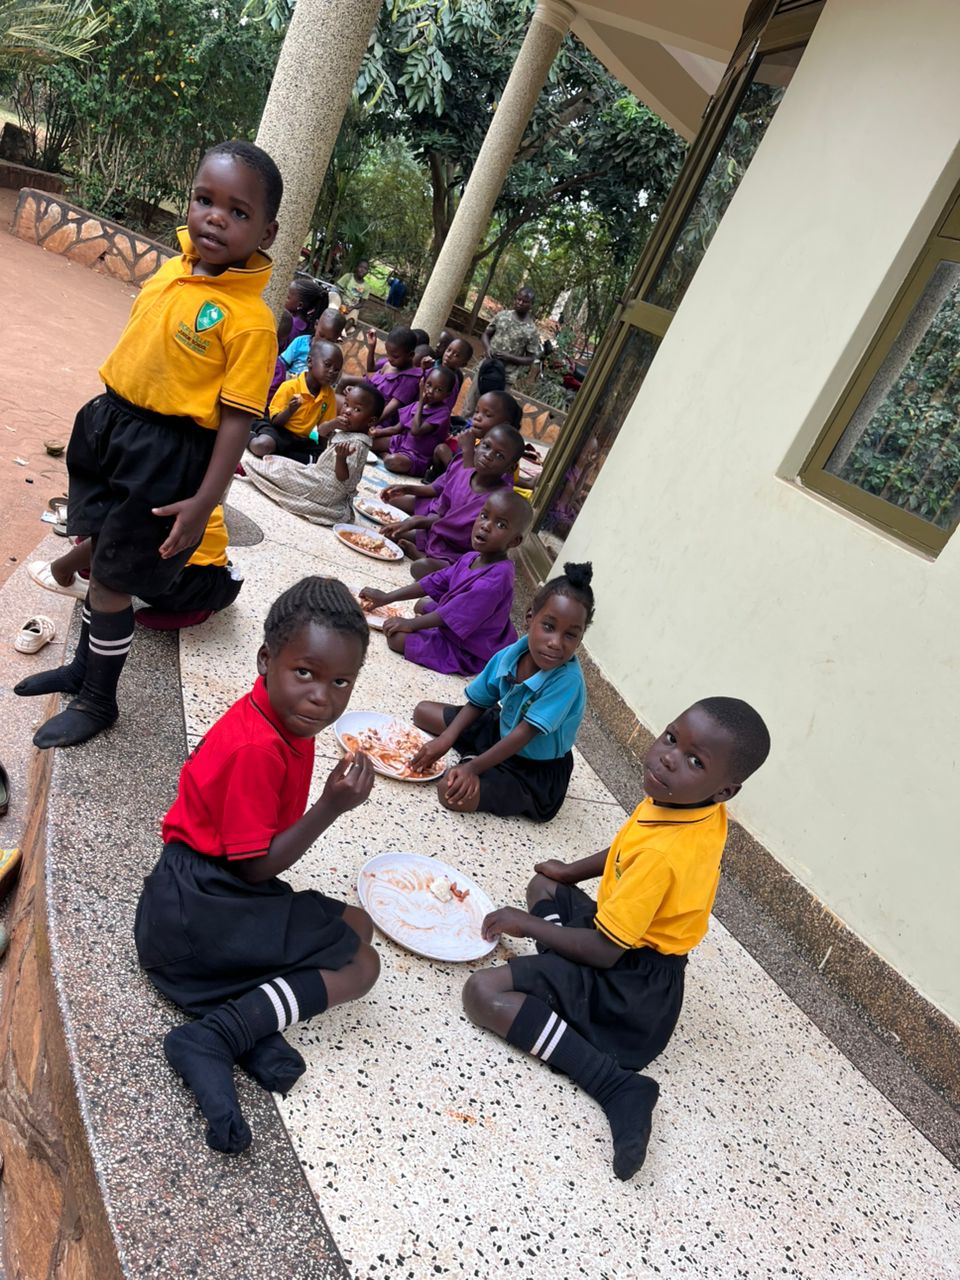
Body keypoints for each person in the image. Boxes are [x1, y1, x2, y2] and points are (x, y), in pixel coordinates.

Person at [15, 139, 282, 748]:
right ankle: (83, 668)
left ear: (266, 230)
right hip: (114, 427)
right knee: (101, 550)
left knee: (114, 581)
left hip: (168, 455)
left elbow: (236, 423)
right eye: (204, 200)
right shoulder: (173, 269)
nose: (216, 217)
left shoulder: (250, 321)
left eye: (238, 212)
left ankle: (98, 700)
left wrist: (204, 501)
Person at [461, 698, 771, 1182]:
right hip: (620, 942)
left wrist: (529, 925)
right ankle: (564, 974)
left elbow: (607, 950)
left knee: (484, 994)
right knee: (547, 885)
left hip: (631, 991)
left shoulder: (667, 855)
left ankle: (616, 1087)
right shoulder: (687, 802)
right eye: (672, 738)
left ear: (725, 788)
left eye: (695, 761)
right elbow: (632, 842)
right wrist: (572, 870)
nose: (670, 757)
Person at [134, 577, 381, 1155]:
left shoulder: (286, 718)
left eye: (340, 682)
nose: (322, 696)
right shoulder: (257, 748)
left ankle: (237, 1011)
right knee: (361, 967)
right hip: (196, 907)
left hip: (212, 889)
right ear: (266, 658)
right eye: (306, 673)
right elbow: (253, 870)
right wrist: (330, 807)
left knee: (358, 927)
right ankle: (215, 1035)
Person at [410, 562, 593, 821]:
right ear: (530, 617)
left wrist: (473, 767)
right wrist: (447, 739)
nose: (555, 643)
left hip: (533, 770)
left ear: (580, 638)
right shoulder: (511, 654)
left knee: (449, 791)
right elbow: (479, 702)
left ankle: (481, 762)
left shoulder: (567, 681)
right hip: (502, 732)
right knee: (422, 712)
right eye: (549, 627)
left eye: (570, 636)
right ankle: (478, 756)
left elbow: (524, 734)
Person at [359, 489, 532, 675]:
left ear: (514, 541)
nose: (485, 526)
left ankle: (436, 639)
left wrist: (410, 624)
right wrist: (387, 597)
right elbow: (434, 581)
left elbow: (450, 616)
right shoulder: (473, 557)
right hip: (460, 620)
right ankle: (429, 627)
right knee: (423, 604)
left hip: (470, 648)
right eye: (484, 515)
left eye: (500, 524)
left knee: (396, 638)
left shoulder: (496, 580)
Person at [27, 506, 243, 630]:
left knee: (122, 546)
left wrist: (61, 569)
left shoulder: (160, 482)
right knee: (108, 526)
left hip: (194, 586)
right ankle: (88, 571)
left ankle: (197, 612)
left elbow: (116, 540)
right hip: (191, 567)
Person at [380, 425, 524, 576]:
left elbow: (463, 533)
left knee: (420, 568)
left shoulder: (500, 500)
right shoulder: (462, 470)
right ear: (478, 444)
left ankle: (419, 555)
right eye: (486, 446)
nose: (488, 455)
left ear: (511, 467)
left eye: (499, 456)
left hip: (460, 553)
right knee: (392, 534)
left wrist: (417, 521)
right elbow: (442, 511)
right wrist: (414, 514)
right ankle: (422, 550)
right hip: (437, 535)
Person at [243, 381, 383, 526]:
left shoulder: (357, 444)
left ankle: (246, 468)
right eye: (347, 405)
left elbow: (343, 478)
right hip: (319, 475)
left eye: (357, 410)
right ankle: (261, 467)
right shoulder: (348, 429)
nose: (347, 411)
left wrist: (341, 458)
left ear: (371, 421)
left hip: (326, 490)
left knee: (283, 474)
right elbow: (322, 431)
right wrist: (333, 423)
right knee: (284, 463)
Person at [248, 339, 342, 463]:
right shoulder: (290, 387)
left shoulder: (329, 396)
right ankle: (247, 437)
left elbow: (323, 431)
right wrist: (290, 410)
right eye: (327, 365)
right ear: (310, 362)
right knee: (262, 445)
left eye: (336, 370)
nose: (331, 372)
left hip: (299, 439)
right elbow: (275, 422)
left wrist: (322, 452)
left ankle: (281, 453)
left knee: (321, 459)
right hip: (277, 429)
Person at [464, 287, 541, 413]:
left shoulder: (531, 330)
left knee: (491, 412)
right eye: (519, 299)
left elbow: (531, 358)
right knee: (470, 406)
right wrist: (488, 348)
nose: (520, 303)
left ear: (531, 305)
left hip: (506, 377)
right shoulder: (502, 316)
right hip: (485, 368)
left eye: (525, 301)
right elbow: (486, 334)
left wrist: (510, 358)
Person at [372, 366, 455, 476]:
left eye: (438, 390)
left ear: (447, 395)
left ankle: (384, 455)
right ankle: (385, 452)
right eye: (429, 385)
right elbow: (397, 428)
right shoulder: (416, 406)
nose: (430, 391)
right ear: (423, 383)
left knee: (391, 462)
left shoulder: (442, 414)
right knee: (369, 443)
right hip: (401, 442)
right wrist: (376, 432)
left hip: (417, 456)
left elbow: (416, 430)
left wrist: (421, 401)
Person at [430, 388, 522, 479]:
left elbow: (471, 482)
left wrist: (467, 449)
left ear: (504, 425)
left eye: (488, 415)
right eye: (477, 411)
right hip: (463, 477)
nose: (477, 417)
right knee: (441, 449)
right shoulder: (479, 440)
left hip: (473, 487)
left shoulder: (504, 452)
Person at [351, 326, 422, 427]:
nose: (390, 358)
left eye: (395, 356)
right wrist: (372, 347)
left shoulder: (410, 379)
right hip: (366, 406)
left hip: (379, 420)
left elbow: (391, 409)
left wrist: (369, 423)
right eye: (388, 354)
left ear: (410, 355)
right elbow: (371, 370)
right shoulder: (389, 363)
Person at [275, 307, 347, 387]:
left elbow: (332, 383)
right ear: (316, 324)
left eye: (329, 340)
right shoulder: (300, 342)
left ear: (337, 337)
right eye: (321, 335)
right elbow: (281, 365)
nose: (322, 341)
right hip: (290, 385)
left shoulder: (334, 356)